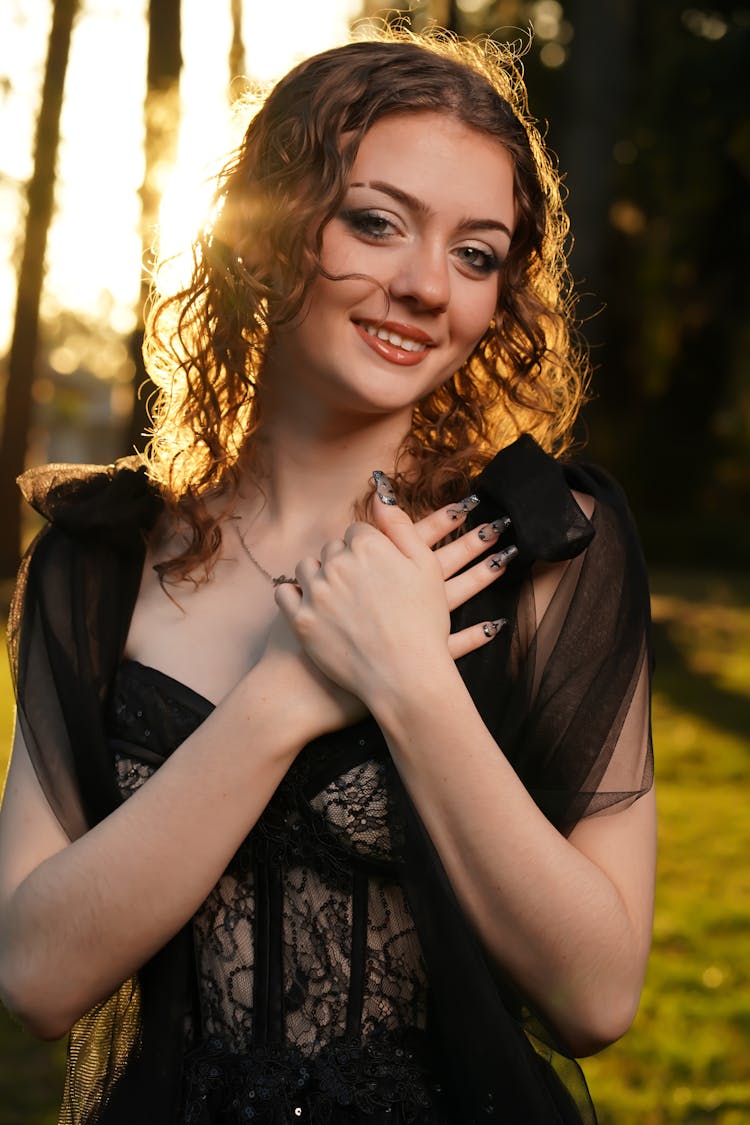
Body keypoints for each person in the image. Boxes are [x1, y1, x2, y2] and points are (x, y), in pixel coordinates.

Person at [0, 30, 655, 1125]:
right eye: (376, 222)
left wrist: (409, 678)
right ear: (267, 228)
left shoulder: (544, 546)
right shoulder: (99, 560)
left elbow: (596, 993)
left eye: (476, 254)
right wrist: (284, 696)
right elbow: (34, 977)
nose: (423, 288)